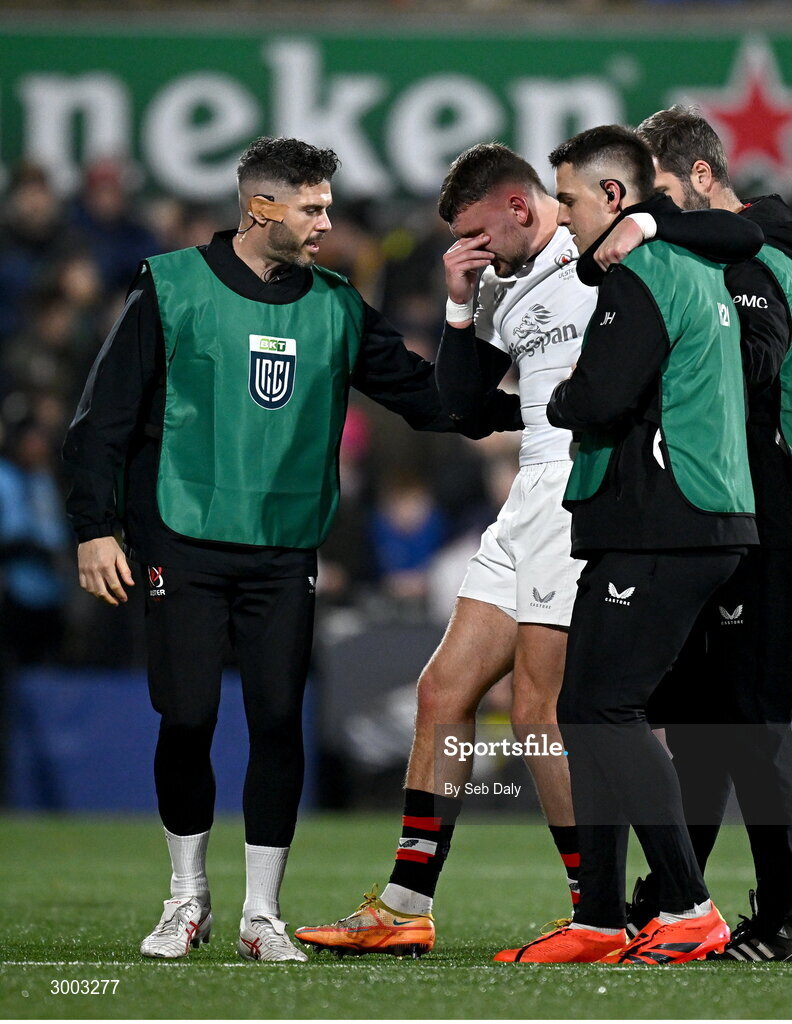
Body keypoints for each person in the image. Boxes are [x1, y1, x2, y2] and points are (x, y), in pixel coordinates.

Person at [295, 143, 762, 959]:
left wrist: (648, 216)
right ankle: (406, 904)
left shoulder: (603, 242)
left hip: (584, 489)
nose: (473, 248)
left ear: (521, 207)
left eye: (478, 232)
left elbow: (742, 233)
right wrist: (458, 305)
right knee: (442, 690)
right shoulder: (497, 282)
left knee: (546, 711)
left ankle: (596, 913)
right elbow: (463, 410)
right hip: (524, 497)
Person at [62, 136, 520, 964]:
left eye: (327, 206)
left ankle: (261, 914)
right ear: (259, 207)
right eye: (311, 207)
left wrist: (535, 397)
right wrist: (97, 527)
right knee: (189, 715)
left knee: (277, 721)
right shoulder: (171, 288)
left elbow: (430, 399)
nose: (327, 222)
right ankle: (186, 897)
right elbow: (103, 419)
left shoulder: (338, 305)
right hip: (181, 534)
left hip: (284, 547)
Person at [493, 124, 758, 966]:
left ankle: (686, 906)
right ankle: (601, 918)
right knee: (587, 710)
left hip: (664, 521)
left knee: (603, 710)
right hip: (672, 519)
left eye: (567, 198)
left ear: (613, 197)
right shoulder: (686, 265)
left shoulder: (643, 274)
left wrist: (566, 396)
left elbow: (598, 398)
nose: (559, 215)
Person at [624, 106, 792, 962]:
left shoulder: (750, 259)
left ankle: (786, 917)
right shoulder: (721, 255)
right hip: (730, 504)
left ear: (705, 179)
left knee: (748, 720)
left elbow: (750, 363)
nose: (654, 211)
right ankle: (682, 900)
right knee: (706, 718)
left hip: (773, 509)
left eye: (664, 193)